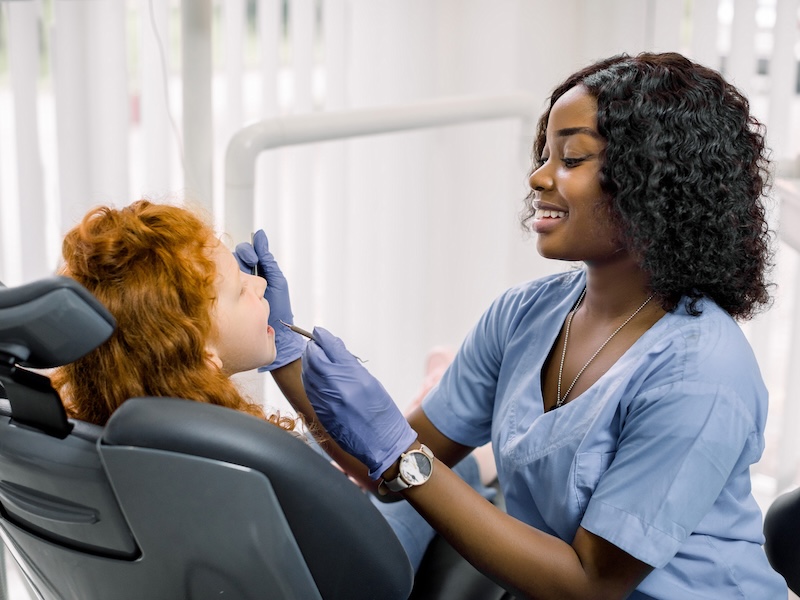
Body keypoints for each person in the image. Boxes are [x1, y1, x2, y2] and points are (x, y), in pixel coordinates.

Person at [294, 52, 789, 598]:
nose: (538, 176)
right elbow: (386, 473)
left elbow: (591, 586)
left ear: (657, 184)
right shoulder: (523, 315)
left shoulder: (701, 370)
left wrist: (399, 455)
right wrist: (282, 354)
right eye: (545, 154)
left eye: (573, 158)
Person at [52, 199, 492, 573]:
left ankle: (433, 395)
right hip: (366, 566)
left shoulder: (112, 421)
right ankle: (479, 455)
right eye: (240, 289)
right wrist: (404, 452)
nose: (261, 282)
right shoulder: (252, 453)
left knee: (331, 453)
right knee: (450, 468)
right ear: (202, 352)